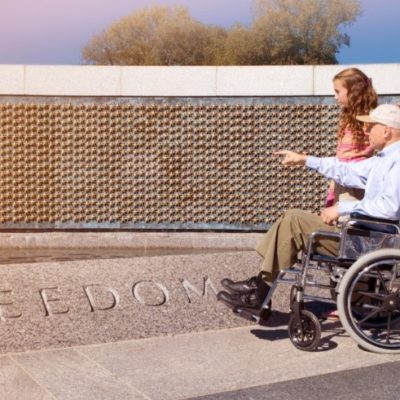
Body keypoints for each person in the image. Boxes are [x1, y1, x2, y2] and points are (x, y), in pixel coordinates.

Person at [217, 104, 400, 315]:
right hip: (363, 236)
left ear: (386, 130)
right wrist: (305, 159)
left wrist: (343, 207)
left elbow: (390, 207)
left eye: (370, 126)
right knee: (291, 217)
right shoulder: (382, 160)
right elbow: (346, 170)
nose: (366, 131)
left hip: (373, 242)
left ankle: (258, 294)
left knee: (294, 221)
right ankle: (259, 289)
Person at [325, 68, 378, 208]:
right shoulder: (348, 120)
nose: (335, 96)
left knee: (347, 223)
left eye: (337, 91)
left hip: (354, 182)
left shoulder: (370, 120)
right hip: (341, 178)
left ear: (354, 92)